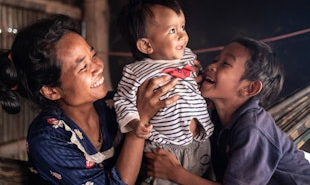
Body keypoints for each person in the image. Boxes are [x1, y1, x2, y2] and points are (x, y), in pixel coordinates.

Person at [0, 14, 180, 184]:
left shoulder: (114, 105)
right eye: (83, 67)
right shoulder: (47, 140)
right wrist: (138, 125)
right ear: (51, 91)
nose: (98, 66)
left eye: (93, 55)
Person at [145, 37, 310, 185]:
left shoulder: (253, 128)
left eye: (225, 64)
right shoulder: (215, 115)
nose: (212, 66)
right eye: (216, 59)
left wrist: (176, 174)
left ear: (249, 89)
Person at [113, 0, 214, 184]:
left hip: (200, 143)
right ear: (146, 45)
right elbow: (122, 101)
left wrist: (197, 72)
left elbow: (196, 76)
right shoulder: (136, 72)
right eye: (172, 31)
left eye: (182, 27)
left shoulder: (188, 57)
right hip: (164, 150)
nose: (183, 35)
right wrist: (136, 124)